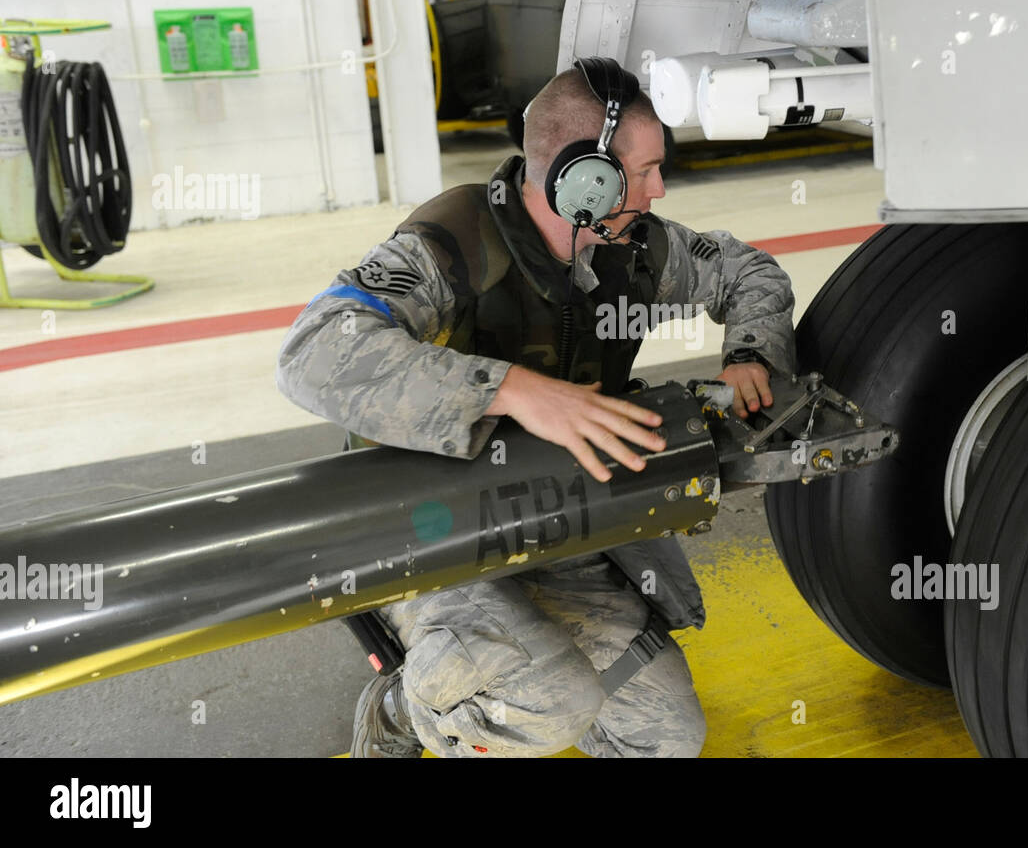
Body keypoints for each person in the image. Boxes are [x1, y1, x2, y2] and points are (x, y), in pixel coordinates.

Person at [275, 57, 796, 758]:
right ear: (587, 178)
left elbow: (748, 270)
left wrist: (752, 354)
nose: (659, 188)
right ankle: (399, 710)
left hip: (553, 517)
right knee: (553, 704)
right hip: (428, 532)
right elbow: (311, 350)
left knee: (668, 736)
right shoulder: (452, 244)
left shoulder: (629, 247)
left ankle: (493, 655)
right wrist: (511, 389)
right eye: (641, 173)